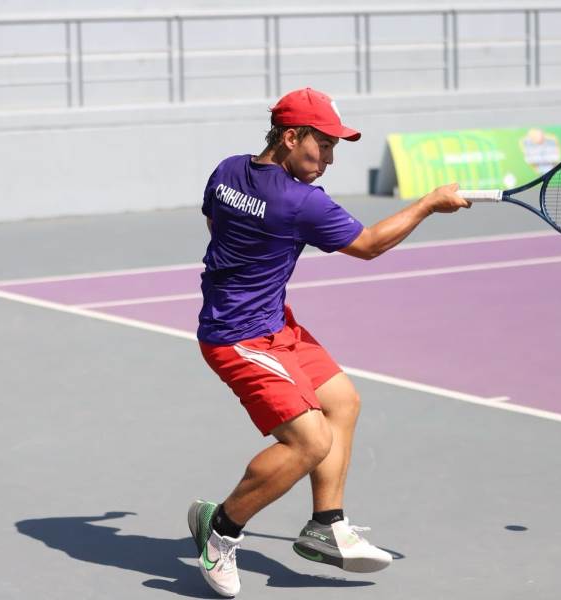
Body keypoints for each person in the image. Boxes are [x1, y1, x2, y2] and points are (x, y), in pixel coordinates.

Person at [188, 87, 470, 597]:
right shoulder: (299, 201)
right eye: (324, 145)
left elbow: (215, 222)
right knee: (311, 443)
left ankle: (326, 523)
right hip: (240, 338)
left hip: (275, 323)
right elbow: (368, 245)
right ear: (291, 136)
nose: (330, 159)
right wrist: (429, 203)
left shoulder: (227, 169)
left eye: (336, 147)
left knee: (341, 400)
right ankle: (221, 530)